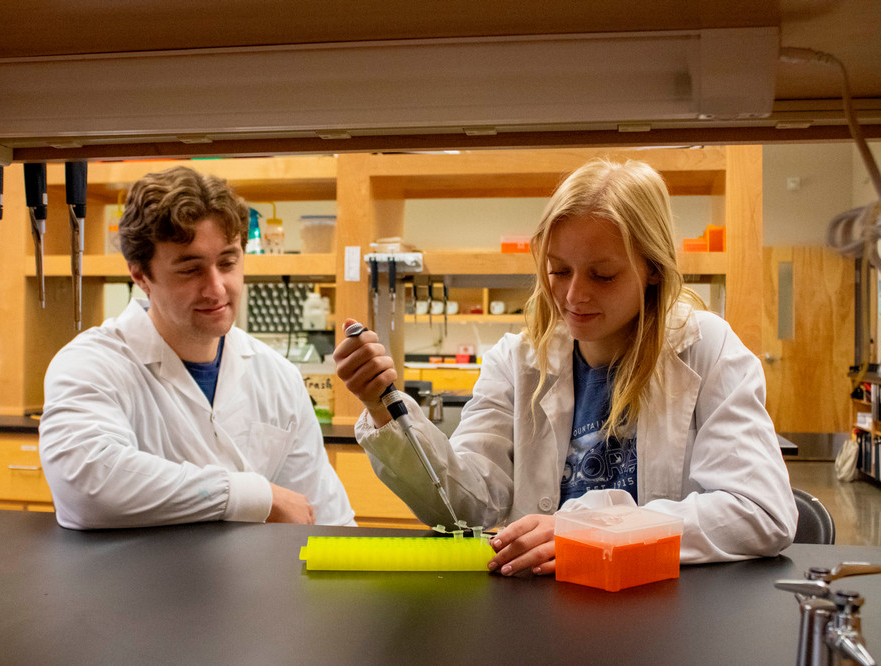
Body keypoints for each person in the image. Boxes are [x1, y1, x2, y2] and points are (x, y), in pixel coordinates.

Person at [335, 158, 796, 575]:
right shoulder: (517, 362)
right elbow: (467, 510)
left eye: (603, 274)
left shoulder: (707, 349)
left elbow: (759, 511)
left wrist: (593, 530)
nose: (575, 296)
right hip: (538, 615)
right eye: (559, 270)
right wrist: (384, 407)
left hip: (664, 616)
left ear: (653, 267)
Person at [39, 166, 355, 529]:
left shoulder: (277, 375)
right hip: (136, 585)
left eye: (228, 262)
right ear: (141, 274)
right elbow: (89, 484)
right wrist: (253, 496)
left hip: (254, 584)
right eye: (190, 269)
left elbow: (326, 519)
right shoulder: (91, 364)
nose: (217, 287)